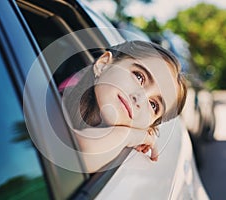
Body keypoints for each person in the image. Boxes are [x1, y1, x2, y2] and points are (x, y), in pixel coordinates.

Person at [61, 40, 187, 173]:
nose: (140, 98)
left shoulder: (128, 144)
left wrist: (129, 135)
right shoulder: (53, 99)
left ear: (148, 126)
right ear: (103, 65)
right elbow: (74, 154)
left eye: (153, 105)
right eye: (139, 76)